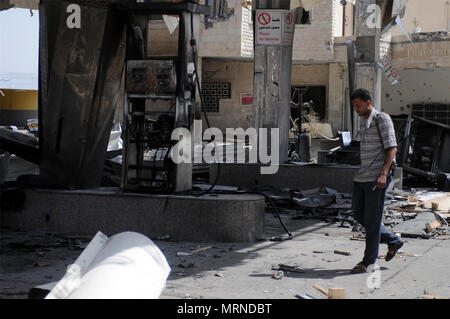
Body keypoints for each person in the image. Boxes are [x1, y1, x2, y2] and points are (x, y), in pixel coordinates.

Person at [350, 88, 404, 273]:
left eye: (358, 105)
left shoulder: (382, 119)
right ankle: (393, 240)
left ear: (368, 102)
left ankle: (368, 262)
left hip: (376, 178)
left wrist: (383, 173)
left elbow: (392, 148)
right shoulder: (365, 123)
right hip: (362, 177)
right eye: (354, 106)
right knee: (359, 215)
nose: (356, 109)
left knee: (372, 221)